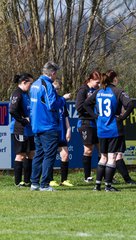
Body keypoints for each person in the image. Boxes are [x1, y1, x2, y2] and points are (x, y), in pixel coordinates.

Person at [84, 70, 134, 192]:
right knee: (112, 157)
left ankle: (97, 185)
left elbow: (85, 104)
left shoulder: (99, 91)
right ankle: (108, 185)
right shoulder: (117, 91)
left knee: (103, 157)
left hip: (101, 128)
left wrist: (96, 116)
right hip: (113, 128)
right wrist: (122, 117)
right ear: (114, 79)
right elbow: (131, 104)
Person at [29, 61, 71, 191]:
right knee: (49, 155)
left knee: (39, 154)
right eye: (55, 73)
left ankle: (34, 183)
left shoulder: (34, 84)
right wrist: (63, 99)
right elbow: (52, 104)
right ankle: (45, 184)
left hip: (37, 125)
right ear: (52, 73)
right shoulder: (46, 85)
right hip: (47, 125)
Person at [75, 70, 101, 182]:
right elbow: (79, 107)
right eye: (97, 82)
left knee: (102, 149)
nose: (98, 84)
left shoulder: (99, 90)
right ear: (90, 80)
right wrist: (93, 114)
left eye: (100, 82)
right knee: (88, 150)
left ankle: (104, 175)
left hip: (98, 123)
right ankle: (87, 176)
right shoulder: (83, 90)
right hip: (86, 122)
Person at [9, 73, 34, 187]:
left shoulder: (26, 94)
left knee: (31, 154)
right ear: (24, 82)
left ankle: (28, 181)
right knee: (21, 155)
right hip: (20, 129)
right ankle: (18, 182)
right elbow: (12, 110)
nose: (31, 85)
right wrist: (23, 120)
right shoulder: (17, 93)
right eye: (30, 83)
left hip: (29, 129)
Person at [49, 79, 73, 187]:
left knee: (65, 155)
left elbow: (65, 116)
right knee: (50, 156)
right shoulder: (49, 100)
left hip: (62, 131)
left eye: (58, 89)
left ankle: (64, 180)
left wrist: (68, 129)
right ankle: (50, 179)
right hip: (52, 131)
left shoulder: (61, 101)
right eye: (54, 88)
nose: (56, 90)